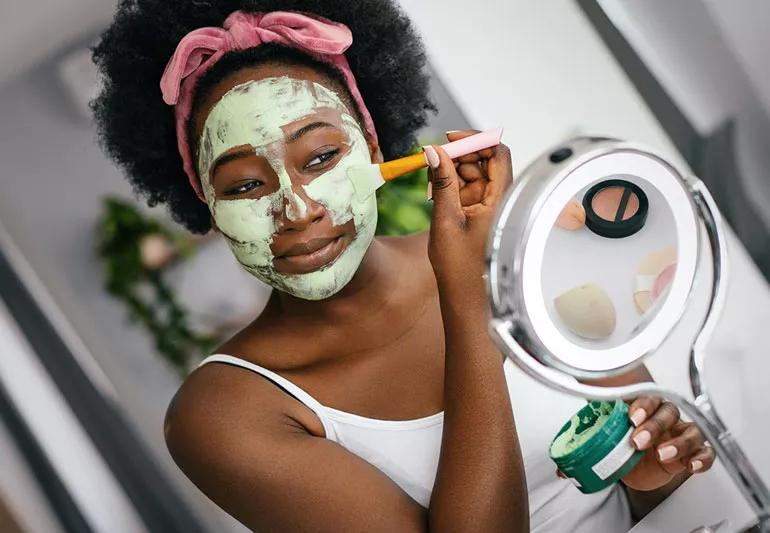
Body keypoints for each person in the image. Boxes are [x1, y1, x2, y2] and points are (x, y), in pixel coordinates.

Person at [92, 1, 715, 531]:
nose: (298, 209)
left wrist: (652, 476)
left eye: (320, 157)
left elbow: (641, 475)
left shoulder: (512, 251)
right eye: (246, 185)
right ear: (204, 204)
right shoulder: (221, 415)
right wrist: (469, 298)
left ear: (374, 147)